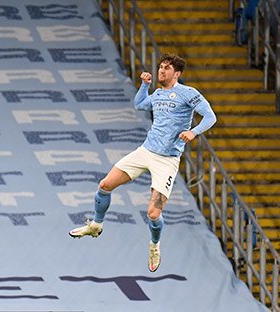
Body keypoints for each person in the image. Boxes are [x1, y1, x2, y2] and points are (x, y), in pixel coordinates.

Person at [69, 52, 217, 272]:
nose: (161, 70)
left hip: (166, 160)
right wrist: (144, 85)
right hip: (145, 151)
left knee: (153, 214)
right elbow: (139, 105)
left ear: (177, 73)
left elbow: (211, 117)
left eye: (167, 68)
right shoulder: (157, 93)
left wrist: (193, 132)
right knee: (105, 185)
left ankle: (155, 245)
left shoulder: (188, 94)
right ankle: (96, 225)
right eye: (160, 66)